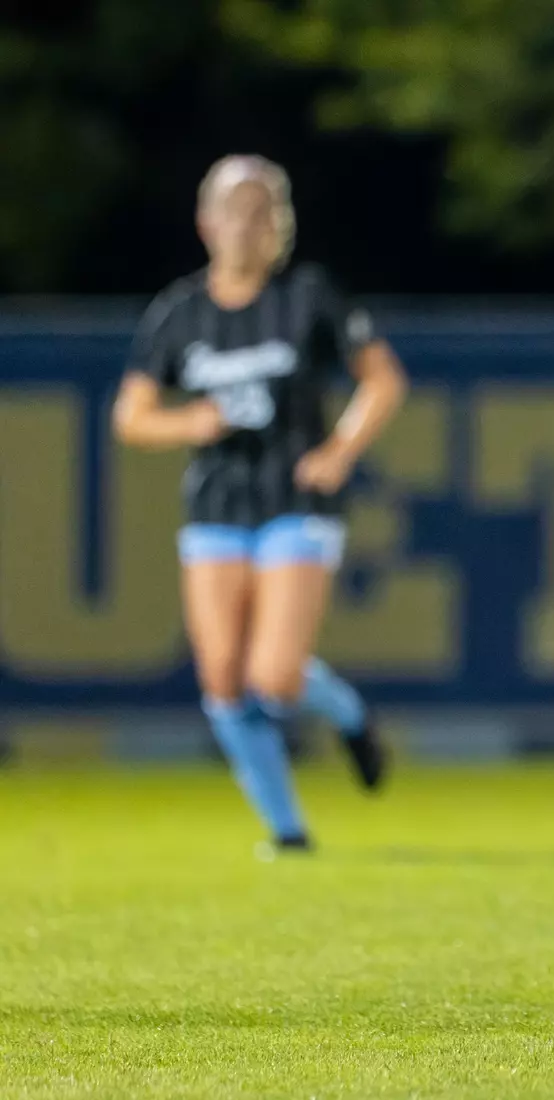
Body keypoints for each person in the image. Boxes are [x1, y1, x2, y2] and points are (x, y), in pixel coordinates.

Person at [113, 155, 408, 854]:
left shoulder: (308, 295)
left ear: (284, 224)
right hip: (217, 507)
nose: (251, 225)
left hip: (295, 501)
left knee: (271, 676)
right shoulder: (180, 312)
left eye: (265, 211)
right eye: (236, 210)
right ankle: (288, 831)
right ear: (205, 222)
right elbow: (132, 417)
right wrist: (193, 423)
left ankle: (349, 718)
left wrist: (339, 450)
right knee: (223, 678)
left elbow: (382, 380)